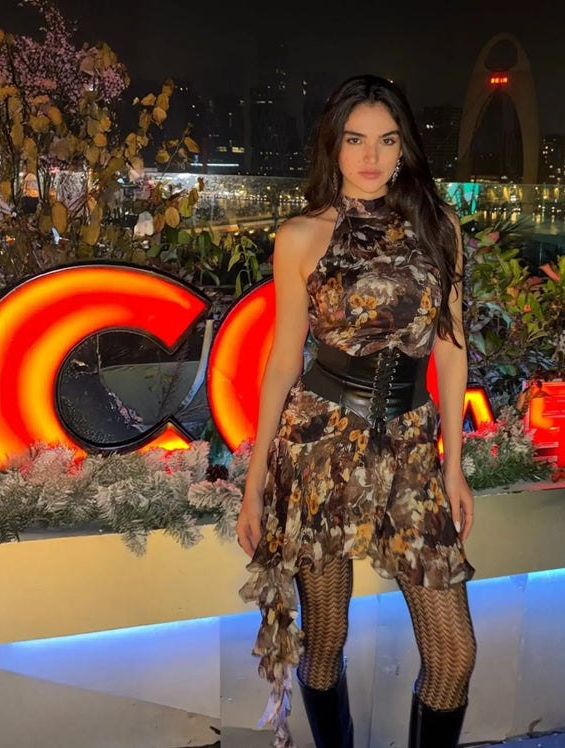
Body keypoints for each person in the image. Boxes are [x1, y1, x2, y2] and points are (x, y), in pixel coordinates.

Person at [235, 74, 476, 748]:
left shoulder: (438, 226)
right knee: (326, 637)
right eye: (355, 140)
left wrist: (453, 465)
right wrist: (254, 485)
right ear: (333, 146)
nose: (371, 156)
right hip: (319, 443)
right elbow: (283, 360)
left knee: (454, 655)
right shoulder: (301, 235)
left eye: (387, 140)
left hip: (409, 446)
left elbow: (451, 348)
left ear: (404, 148)